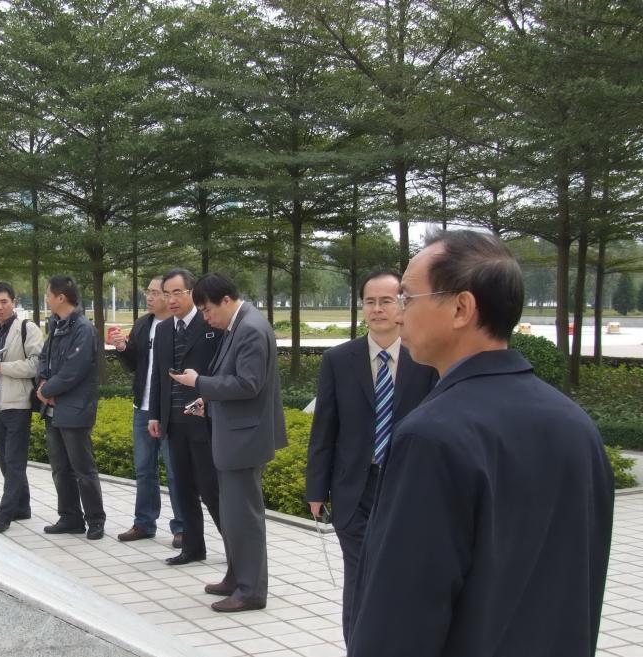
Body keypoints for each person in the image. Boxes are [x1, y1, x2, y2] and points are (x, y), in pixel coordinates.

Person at [348, 230, 614, 656]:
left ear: (461, 308)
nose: (397, 316)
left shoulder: (431, 437)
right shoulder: (577, 426)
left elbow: (399, 615)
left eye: (407, 298)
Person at [306, 270, 437, 642]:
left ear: (402, 304)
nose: (378, 309)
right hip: (354, 490)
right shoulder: (338, 359)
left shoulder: (425, 359)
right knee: (360, 575)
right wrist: (316, 489)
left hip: (407, 487)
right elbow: (325, 428)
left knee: (399, 576)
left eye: (387, 301)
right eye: (370, 301)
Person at [172, 273, 286, 613]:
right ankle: (237, 578)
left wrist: (199, 383)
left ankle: (250, 591)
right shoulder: (239, 325)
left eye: (208, 310)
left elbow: (248, 384)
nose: (207, 318)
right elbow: (235, 379)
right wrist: (209, 401)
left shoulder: (250, 328)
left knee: (244, 517)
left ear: (226, 300)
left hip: (245, 438)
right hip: (236, 434)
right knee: (234, 515)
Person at [146, 269, 223, 568]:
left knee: (211, 489)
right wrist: (155, 415)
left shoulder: (210, 324)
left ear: (192, 292)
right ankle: (193, 547)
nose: (171, 299)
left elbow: (220, 372)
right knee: (182, 488)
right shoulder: (164, 329)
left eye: (177, 292)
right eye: (167, 294)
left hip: (204, 418)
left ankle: (236, 549)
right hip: (174, 422)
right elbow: (158, 376)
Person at [112, 275, 186, 547]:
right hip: (142, 407)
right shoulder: (143, 324)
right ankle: (144, 523)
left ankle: (183, 527)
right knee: (144, 470)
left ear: (169, 296)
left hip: (170, 410)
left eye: (156, 292)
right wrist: (122, 347)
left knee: (175, 471)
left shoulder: (180, 326)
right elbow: (135, 364)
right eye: (149, 292)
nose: (150, 297)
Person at [37, 275, 106, 540]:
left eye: (48, 294)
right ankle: (70, 517)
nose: (46, 299)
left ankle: (95, 519)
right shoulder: (55, 325)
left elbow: (73, 371)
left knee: (83, 469)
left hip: (75, 409)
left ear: (61, 297)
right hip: (53, 409)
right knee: (60, 468)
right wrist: (43, 383)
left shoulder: (84, 329)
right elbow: (44, 358)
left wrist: (47, 391)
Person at [0, 282, 43, 533]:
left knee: (14, 460)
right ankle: (22, 507)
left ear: (14, 302)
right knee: (5, 460)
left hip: (18, 403)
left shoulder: (27, 328)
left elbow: (36, 364)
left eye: (4, 302)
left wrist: (3, 367)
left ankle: (4, 515)